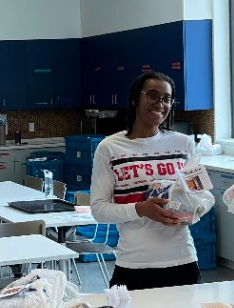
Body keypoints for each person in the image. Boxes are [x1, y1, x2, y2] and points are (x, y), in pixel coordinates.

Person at [90, 71, 213, 291]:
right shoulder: (110, 148)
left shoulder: (183, 145)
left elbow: (204, 197)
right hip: (133, 264)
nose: (160, 104)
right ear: (136, 98)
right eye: (153, 96)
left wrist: (187, 212)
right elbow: (99, 209)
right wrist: (141, 209)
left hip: (182, 260)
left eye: (167, 99)